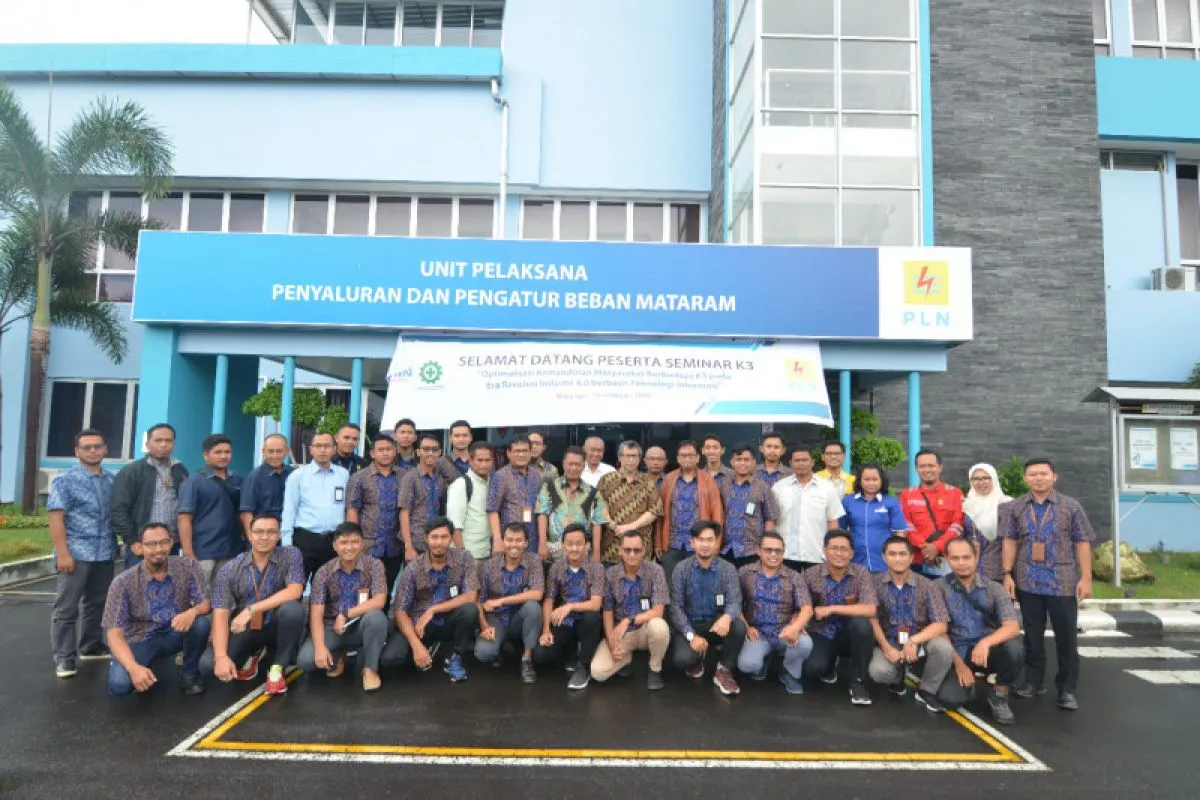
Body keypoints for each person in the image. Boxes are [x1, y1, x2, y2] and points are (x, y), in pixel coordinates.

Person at [1002, 458, 1095, 711]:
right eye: (1032, 474)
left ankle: (1066, 689)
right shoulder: (1016, 507)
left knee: (1066, 637)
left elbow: (1082, 541)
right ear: (1025, 478)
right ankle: (1033, 682)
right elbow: (1010, 540)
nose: (1038, 478)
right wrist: (1007, 573)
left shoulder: (1070, 506)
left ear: (1054, 476)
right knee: (1032, 635)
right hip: (1028, 581)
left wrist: (1086, 577)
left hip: (1061, 582)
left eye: (1043, 473)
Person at [102, 522, 211, 696]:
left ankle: (190, 673)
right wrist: (133, 668)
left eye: (163, 542)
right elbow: (114, 635)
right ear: (139, 547)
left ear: (171, 542)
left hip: (174, 632)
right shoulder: (122, 582)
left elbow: (205, 603)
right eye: (151, 544)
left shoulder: (188, 566)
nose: (158, 549)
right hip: (140, 638)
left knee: (201, 624)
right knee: (120, 686)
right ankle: (142, 665)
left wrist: (192, 612)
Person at [208, 513, 306, 696]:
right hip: (245, 626)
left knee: (293, 610)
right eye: (259, 532)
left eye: (271, 532)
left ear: (278, 535)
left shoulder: (291, 555)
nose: (265, 537)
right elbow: (220, 612)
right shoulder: (230, 568)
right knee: (215, 665)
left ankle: (278, 667)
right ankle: (255, 652)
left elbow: (295, 591)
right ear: (249, 534)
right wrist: (220, 657)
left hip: (277, 623)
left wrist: (252, 609)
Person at [48, 428, 117, 678]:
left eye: (97, 446)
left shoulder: (111, 480)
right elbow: (56, 518)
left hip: (105, 552)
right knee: (66, 608)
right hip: (76, 553)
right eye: (87, 447)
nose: (93, 451)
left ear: (105, 449)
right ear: (77, 451)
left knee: (97, 603)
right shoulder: (65, 480)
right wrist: (63, 554)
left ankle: (91, 646)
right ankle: (64, 658)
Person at [381, 517, 480, 683]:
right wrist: (416, 644)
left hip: (449, 620)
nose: (439, 542)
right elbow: (400, 611)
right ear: (426, 538)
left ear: (451, 538)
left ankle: (455, 657)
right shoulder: (414, 568)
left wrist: (433, 609)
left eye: (444, 537)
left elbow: (471, 596)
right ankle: (426, 648)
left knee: (470, 609)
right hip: (420, 625)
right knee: (391, 659)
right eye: (434, 537)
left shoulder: (464, 559)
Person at [936, 536, 1023, 724]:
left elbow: (1013, 626)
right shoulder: (938, 588)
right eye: (955, 558)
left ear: (976, 557)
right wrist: (960, 666)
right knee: (950, 700)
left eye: (966, 557)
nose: (961, 563)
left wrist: (985, 643)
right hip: (957, 651)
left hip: (988, 650)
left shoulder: (994, 588)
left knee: (1014, 649)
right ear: (947, 559)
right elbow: (939, 631)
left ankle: (999, 695)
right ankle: (971, 683)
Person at [297, 522, 389, 692]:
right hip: (332, 627)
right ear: (335, 545)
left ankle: (370, 669)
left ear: (362, 544)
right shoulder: (324, 572)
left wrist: (346, 613)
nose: (349, 547)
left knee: (377, 617)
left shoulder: (374, 565)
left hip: (360, 623)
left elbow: (379, 600)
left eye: (354, 542)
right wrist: (320, 647)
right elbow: (316, 614)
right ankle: (339, 653)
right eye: (344, 542)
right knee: (306, 661)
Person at [868, 536, 953, 712]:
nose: (898, 558)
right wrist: (887, 648)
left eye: (902, 554)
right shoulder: (873, 584)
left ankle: (926, 690)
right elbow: (872, 619)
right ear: (884, 557)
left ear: (911, 557)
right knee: (879, 672)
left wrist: (914, 641)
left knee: (944, 647)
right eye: (892, 554)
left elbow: (941, 624)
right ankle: (897, 677)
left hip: (920, 640)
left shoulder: (928, 585)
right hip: (890, 641)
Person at [800, 529, 878, 706]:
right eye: (834, 548)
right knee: (814, 668)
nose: (839, 553)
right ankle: (829, 664)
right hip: (821, 631)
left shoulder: (861, 573)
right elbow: (803, 605)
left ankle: (858, 681)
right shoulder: (810, 574)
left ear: (852, 553)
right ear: (824, 550)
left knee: (863, 625)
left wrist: (832, 609)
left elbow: (871, 609)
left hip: (849, 633)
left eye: (844, 549)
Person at [668, 521, 745, 695]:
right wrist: (691, 635)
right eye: (700, 539)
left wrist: (727, 618)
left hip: (717, 625)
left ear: (717, 542)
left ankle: (723, 670)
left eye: (710, 540)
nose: (705, 544)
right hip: (691, 625)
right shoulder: (681, 569)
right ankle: (696, 659)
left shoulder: (728, 569)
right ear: (692, 542)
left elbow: (735, 601)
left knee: (738, 627)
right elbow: (675, 607)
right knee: (683, 660)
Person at [590, 530, 671, 690]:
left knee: (659, 627)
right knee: (598, 672)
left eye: (636, 550)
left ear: (644, 550)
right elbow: (607, 611)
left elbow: (658, 611)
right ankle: (625, 658)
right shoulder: (611, 574)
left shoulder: (656, 571)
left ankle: (655, 668)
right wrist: (611, 643)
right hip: (623, 633)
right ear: (620, 551)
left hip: (647, 629)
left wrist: (629, 620)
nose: (632, 554)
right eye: (627, 550)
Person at [736, 531, 814, 694]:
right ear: (759, 551)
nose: (773, 554)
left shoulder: (794, 576)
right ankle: (764, 659)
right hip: (758, 633)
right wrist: (746, 627)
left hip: (785, 631)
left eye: (778, 551)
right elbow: (734, 603)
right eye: (768, 550)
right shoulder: (745, 572)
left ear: (783, 553)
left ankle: (789, 672)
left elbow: (807, 608)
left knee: (805, 644)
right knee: (747, 665)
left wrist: (795, 627)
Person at [534, 522, 605, 690]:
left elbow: (596, 604)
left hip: (587, 619)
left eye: (579, 544)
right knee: (540, 655)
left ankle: (583, 665)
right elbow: (549, 600)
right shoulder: (556, 568)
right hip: (565, 621)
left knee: (591, 618)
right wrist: (546, 630)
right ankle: (571, 651)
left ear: (586, 544)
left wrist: (570, 606)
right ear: (563, 545)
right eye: (570, 544)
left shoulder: (597, 568)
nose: (574, 548)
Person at [473, 522, 545, 682]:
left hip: (520, 618)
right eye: (509, 540)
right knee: (483, 653)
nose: (514, 545)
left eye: (518, 540)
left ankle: (526, 659)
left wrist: (501, 601)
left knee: (533, 607)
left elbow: (537, 593)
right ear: (503, 541)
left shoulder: (533, 561)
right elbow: (479, 600)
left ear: (526, 542)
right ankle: (501, 645)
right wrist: (484, 625)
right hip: (496, 619)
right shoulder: (489, 566)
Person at [110, 423, 189, 567]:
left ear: (174, 444)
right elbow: (118, 509)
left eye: (168, 440)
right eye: (158, 440)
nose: (164, 444)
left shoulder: (180, 470)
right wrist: (132, 540)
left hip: (171, 545)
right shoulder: (131, 471)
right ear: (147, 444)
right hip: (142, 546)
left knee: (171, 580)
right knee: (139, 581)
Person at [281, 432, 349, 583]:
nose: (322, 450)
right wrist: (287, 544)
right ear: (311, 449)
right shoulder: (298, 476)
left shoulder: (343, 475)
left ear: (334, 449)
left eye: (327, 446)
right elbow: (289, 510)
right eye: (318, 446)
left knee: (328, 588)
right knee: (296, 585)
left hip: (333, 540)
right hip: (305, 539)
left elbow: (347, 508)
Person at [178, 434, 244, 590]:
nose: (223, 456)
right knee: (198, 597)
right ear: (206, 455)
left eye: (227, 452)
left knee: (225, 597)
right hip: (203, 553)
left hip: (232, 552)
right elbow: (184, 519)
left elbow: (242, 515)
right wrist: (188, 554)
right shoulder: (194, 482)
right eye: (218, 452)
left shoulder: (238, 481)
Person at [346, 434, 405, 593]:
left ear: (395, 451)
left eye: (389, 449)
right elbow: (352, 509)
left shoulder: (404, 476)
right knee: (364, 588)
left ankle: (384, 610)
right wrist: (354, 542)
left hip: (394, 545)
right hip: (368, 545)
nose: (385, 453)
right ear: (372, 453)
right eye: (381, 450)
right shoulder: (359, 477)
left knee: (387, 587)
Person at [657, 440, 724, 580]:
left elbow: (717, 514)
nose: (687, 458)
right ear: (678, 459)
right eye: (683, 455)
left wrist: (716, 543)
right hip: (672, 543)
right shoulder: (669, 479)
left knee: (697, 583)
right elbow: (660, 514)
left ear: (698, 458)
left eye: (691, 455)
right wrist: (658, 542)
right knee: (672, 583)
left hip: (699, 543)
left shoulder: (708, 480)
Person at [772, 448, 845, 573]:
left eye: (805, 460)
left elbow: (833, 522)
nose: (801, 463)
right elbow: (772, 520)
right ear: (790, 463)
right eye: (797, 460)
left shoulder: (827, 488)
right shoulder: (779, 487)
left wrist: (831, 550)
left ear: (812, 462)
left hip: (817, 555)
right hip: (785, 555)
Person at [899, 448, 965, 578]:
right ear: (916, 469)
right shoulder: (907, 494)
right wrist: (925, 548)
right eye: (922, 466)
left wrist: (937, 546)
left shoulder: (955, 493)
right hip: (917, 560)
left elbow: (958, 524)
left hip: (949, 560)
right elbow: (906, 524)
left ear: (940, 467)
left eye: (931, 465)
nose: (927, 470)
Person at [536, 446, 609, 563]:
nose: (573, 468)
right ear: (563, 464)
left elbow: (597, 523)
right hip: (555, 550)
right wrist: (542, 544)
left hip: (582, 550)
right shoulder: (550, 488)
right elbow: (542, 515)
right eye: (570, 464)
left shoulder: (593, 492)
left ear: (583, 466)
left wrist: (596, 552)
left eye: (577, 464)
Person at [596, 441, 663, 566]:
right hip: (612, 548)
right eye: (627, 456)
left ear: (639, 459)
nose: (631, 460)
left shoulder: (648, 482)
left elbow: (654, 510)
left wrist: (631, 526)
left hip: (640, 548)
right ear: (620, 457)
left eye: (634, 456)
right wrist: (611, 524)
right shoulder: (606, 480)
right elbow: (598, 505)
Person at [841, 463, 909, 574]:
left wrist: (899, 558)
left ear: (881, 480)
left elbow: (900, 533)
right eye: (867, 479)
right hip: (855, 562)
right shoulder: (848, 501)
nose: (871, 483)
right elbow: (840, 531)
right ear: (860, 480)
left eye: (875, 479)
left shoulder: (891, 502)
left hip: (884, 563)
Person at [719, 444, 778, 568]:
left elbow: (770, 518)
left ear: (754, 462)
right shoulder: (724, 485)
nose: (742, 463)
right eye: (738, 459)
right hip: (727, 549)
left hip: (752, 550)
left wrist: (766, 547)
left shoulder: (762, 487)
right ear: (732, 462)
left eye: (746, 460)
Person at [399, 432, 449, 565]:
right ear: (418, 452)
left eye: (434, 449)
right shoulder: (410, 478)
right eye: (426, 449)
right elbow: (404, 513)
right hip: (416, 544)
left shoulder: (440, 479)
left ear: (440, 453)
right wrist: (408, 547)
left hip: (436, 543)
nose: (430, 453)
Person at [486, 436, 541, 551]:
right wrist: (497, 540)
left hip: (532, 540)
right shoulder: (500, 476)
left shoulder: (536, 475)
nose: (521, 454)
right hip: (510, 540)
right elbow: (492, 510)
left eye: (525, 451)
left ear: (530, 452)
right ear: (508, 453)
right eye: (517, 451)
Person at [446, 442, 495, 560]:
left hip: (488, 554)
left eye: (487, 460)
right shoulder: (461, 485)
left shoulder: (493, 484)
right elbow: (455, 526)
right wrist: (463, 558)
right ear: (470, 460)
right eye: (480, 460)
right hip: (469, 555)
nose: (483, 464)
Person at [964, 463, 1011, 585]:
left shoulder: (1006, 504)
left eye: (986, 478)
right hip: (968, 566)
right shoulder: (966, 504)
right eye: (976, 479)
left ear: (994, 479)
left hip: (996, 566)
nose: (981, 482)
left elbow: (1012, 538)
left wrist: (1008, 572)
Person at [239, 434, 293, 537]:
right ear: (263, 452)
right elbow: (247, 513)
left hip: (289, 534)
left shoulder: (293, 474)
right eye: (271, 451)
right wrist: (251, 538)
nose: (275, 455)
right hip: (265, 535)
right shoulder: (254, 478)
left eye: (279, 451)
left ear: (287, 451)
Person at [437, 419, 473, 484]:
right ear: (450, 438)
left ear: (470, 438)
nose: (461, 439)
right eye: (457, 436)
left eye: (465, 435)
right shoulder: (441, 463)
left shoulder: (479, 461)